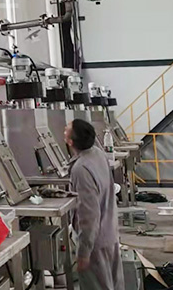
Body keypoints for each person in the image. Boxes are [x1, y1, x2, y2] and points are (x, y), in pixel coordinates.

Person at [64, 119, 124, 290]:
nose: (64, 130)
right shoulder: (98, 154)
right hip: (110, 233)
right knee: (114, 285)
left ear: (70, 141)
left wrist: (84, 252)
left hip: (95, 244)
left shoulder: (81, 169)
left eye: (66, 130)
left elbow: (89, 215)